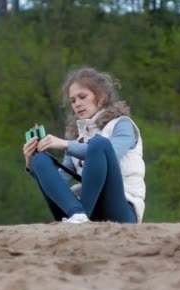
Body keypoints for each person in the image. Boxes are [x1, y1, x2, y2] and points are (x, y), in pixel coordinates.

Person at [22, 67, 145, 224]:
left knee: (99, 143)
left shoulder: (122, 125)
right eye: (73, 101)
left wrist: (66, 144)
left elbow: (109, 153)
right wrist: (31, 164)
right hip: (84, 212)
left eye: (82, 97)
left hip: (121, 210)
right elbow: (59, 182)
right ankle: (78, 214)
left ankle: (81, 215)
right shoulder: (77, 138)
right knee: (40, 159)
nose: (77, 104)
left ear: (101, 97)